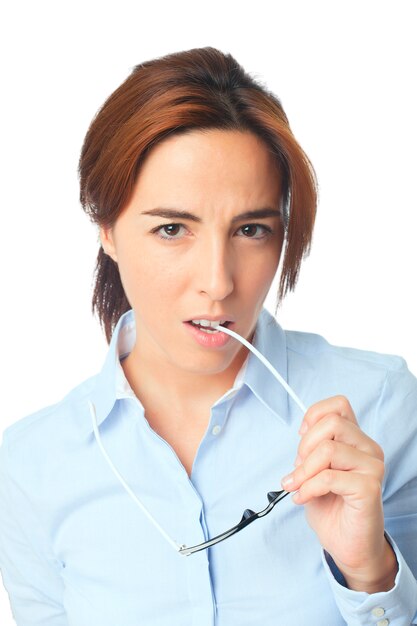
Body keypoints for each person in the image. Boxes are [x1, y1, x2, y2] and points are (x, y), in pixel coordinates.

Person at [0, 46, 416, 626]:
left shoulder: (381, 406)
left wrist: (370, 570)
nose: (219, 284)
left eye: (251, 229)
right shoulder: (29, 466)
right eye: (173, 229)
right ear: (108, 230)